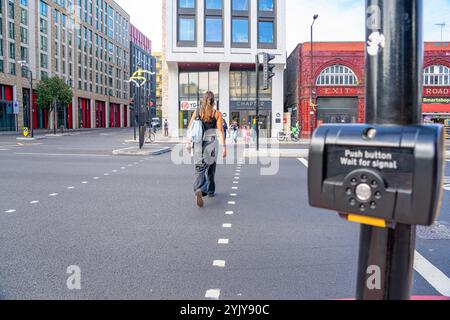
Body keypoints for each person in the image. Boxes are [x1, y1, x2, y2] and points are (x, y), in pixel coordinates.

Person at [187, 91, 227, 208]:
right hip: (211, 143)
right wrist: (224, 147)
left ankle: (199, 188)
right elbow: (220, 131)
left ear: (203, 100)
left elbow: (190, 128)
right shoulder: (217, 114)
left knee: (199, 167)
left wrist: (188, 141)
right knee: (211, 167)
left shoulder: (197, 111)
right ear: (213, 101)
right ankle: (210, 190)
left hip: (198, 143)